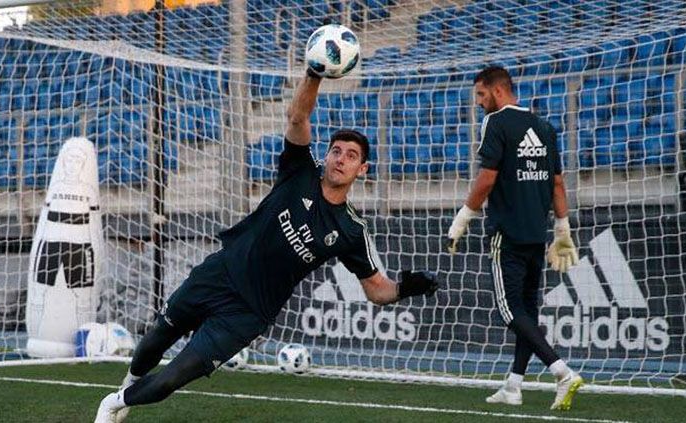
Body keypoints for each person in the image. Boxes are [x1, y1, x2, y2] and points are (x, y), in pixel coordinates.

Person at [94, 69, 439, 422]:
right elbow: (297, 117)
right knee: (155, 340)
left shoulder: (351, 230)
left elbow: (377, 290)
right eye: (336, 150)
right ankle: (130, 383)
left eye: (351, 155)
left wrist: (407, 288)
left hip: (248, 314)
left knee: (171, 381)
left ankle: (113, 403)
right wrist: (314, 73)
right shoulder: (299, 171)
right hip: (219, 274)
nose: (340, 158)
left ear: (361, 169)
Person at [446, 65, 582, 410]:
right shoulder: (545, 127)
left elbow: (487, 178)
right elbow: (557, 183)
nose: (478, 102)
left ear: (497, 90)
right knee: (527, 313)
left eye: (480, 94)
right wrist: (562, 229)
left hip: (506, 235)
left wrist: (463, 218)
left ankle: (562, 372)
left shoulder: (496, 123)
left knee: (510, 312)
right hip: (536, 236)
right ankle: (514, 386)